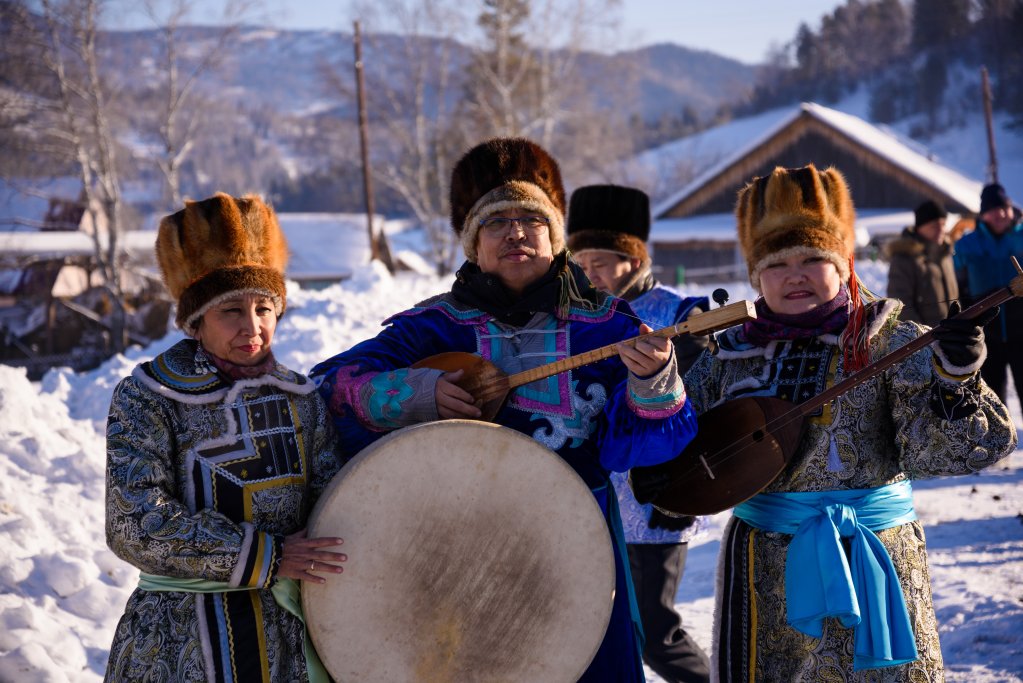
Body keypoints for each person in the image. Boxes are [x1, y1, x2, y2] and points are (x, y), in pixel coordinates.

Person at [310, 138, 698, 682]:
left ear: (555, 236)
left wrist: (653, 379)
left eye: (530, 220)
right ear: (472, 245)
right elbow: (327, 386)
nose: (515, 232)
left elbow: (653, 445)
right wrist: (417, 393)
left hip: (576, 539)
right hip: (455, 544)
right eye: (496, 223)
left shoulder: (611, 327)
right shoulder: (432, 328)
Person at [678, 165, 1016, 681]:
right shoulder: (727, 357)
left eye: (814, 258)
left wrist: (956, 378)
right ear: (755, 277)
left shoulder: (894, 343)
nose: (796, 274)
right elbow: (676, 456)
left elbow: (965, 450)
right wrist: (662, 381)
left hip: (874, 560)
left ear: (845, 264)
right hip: (766, 573)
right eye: (778, 263)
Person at [104, 193, 347, 682]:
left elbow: (334, 503)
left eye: (264, 307)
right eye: (231, 311)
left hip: (286, 636)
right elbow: (133, 521)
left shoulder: (300, 398)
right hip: (179, 636)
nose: (253, 326)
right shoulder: (148, 397)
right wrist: (267, 555)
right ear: (197, 321)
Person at [567, 183, 711, 683]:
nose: (589, 273)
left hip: (655, 502)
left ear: (633, 258)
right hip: (596, 500)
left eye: (601, 261)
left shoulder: (677, 313)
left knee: (656, 632)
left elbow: (699, 393)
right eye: (579, 262)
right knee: (600, 629)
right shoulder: (579, 317)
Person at [953, 182, 1023, 415]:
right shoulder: (966, 245)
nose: (1001, 214)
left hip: (1022, 331)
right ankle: (999, 449)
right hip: (986, 334)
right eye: (994, 209)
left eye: (1005, 207)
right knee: (992, 402)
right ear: (984, 214)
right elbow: (957, 288)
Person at [885, 199, 958, 327]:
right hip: (926, 341)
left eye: (943, 224)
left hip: (953, 338)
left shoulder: (945, 255)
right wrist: (926, 338)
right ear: (920, 228)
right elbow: (901, 306)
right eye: (934, 225)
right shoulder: (904, 259)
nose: (941, 229)